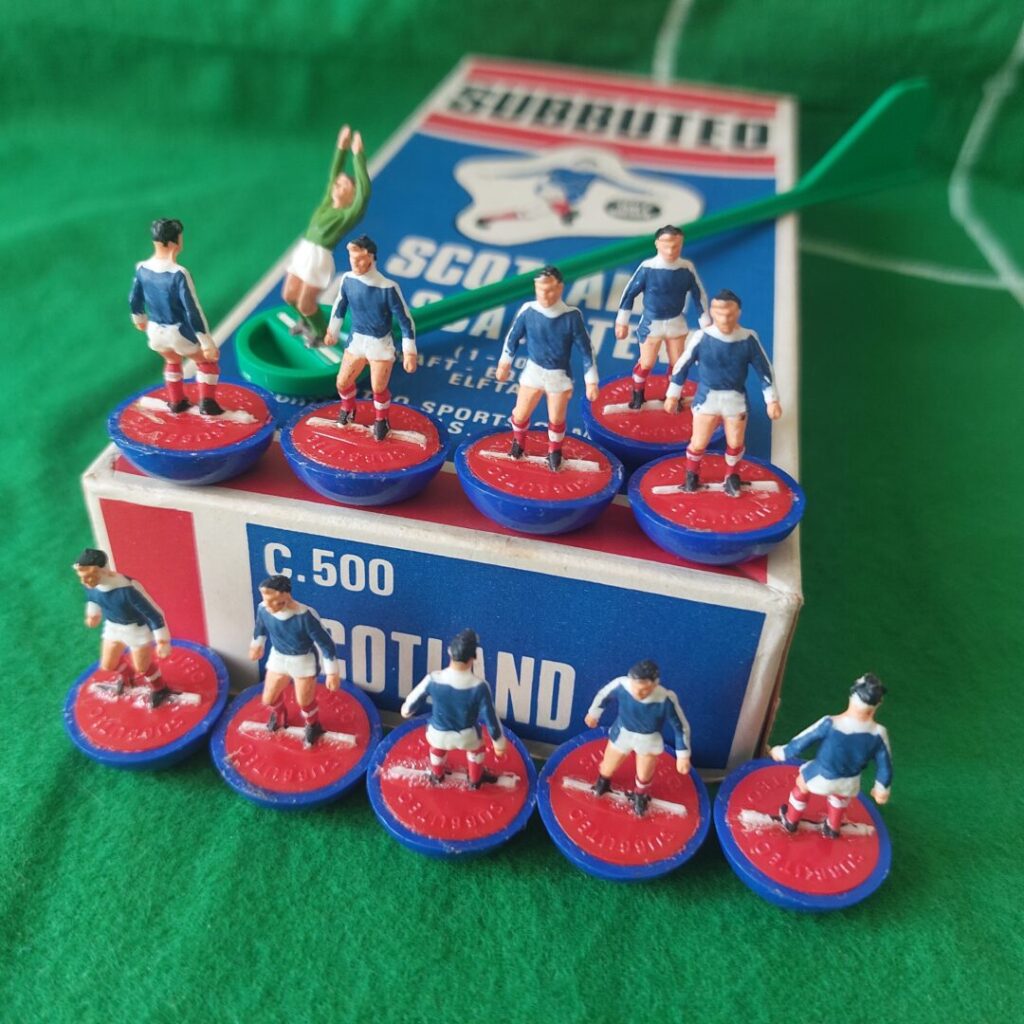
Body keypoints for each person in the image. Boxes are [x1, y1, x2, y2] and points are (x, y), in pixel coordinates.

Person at [663, 289, 781, 496]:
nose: (725, 319)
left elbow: (764, 370)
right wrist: (673, 394)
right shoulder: (702, 337)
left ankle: (732, 476)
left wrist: (772, 400)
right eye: (720, 313)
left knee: (735, 443)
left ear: (738, 313)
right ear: (712, 312)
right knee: (699, 442)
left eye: (730, 314)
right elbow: (682, 365)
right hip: (707, 399)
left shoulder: (748, 338)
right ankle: (691, 474)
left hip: (735, 400)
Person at [495, 265, 599, 471]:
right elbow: (512, 338)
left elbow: (586, 350)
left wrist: (591, 381)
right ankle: (518, 443)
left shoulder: (572, 316)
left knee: (556, 418)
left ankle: (554, 451)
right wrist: (504, 363)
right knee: (520, 414)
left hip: (558, 375)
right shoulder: (528, 310)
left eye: (550, 290)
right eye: (540, 289)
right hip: (533, 371)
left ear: (560, 288)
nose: (544, 295)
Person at [770, 673, 893, 839]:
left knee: (801, 785)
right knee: (840, 797)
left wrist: (783, 752)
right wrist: (881, 788)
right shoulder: (879, 733)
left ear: (852, 697)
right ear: (878, 704)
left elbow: (803, 740)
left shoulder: (830, 723)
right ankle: (833, 827)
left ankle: (790, 820)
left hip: (822, 774)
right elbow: (885, 764)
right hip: (850, 782)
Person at [283, 125, 371, 344]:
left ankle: (321, 333)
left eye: (344, 186)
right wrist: (341, 148)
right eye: (337, 184)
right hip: (304, 252)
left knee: (306, 303)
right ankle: (307, 322)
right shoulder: (326, 204)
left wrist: (358, 156)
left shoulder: (347, 215)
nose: (337, 187)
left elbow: (364, 192)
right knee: (289, 296)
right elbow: (333, 175)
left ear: (351, 195)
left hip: (318, 258)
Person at [324, 235, 417, 441]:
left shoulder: (388, 287)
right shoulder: (347, 280)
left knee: (378, 387)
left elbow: (405, 320)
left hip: (380, 344)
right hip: (357, 341)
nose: (355, 264)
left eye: (359, 259)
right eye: (352, 259)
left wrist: (410, 352)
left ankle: (381, 420)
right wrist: (332, 331)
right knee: (342, 382)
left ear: (371, 258)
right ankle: (348, 409)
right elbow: (339, 306)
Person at [129, 218, 222, 416]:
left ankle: (176, 401)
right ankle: (207, 404)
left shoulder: (142, 268)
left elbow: (134, 298)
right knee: (206, 363)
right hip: (177, 332)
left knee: (172, 361)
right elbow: (192, 309)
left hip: (155, 331)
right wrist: (206, 342)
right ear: (173, 243)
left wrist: (139, 319)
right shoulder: (179, 273)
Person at [614, 225, 711, 409]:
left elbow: (699, 294)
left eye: (676, 246)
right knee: (646, 363)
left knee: (678, 364)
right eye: (666, 245)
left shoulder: (686, 268)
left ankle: (673, 396)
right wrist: (622, 321)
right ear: (657, 244)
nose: (671, 250)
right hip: (651, 324)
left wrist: (705, 322)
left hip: (676, 322)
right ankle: (638, 395)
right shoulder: (648, 268)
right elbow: (629, 294)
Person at [400, 629, 507, 788]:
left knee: (437, 748)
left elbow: (410, 705)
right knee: (477, 749)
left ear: (450, 652)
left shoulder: (433, 679)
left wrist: (406, 710)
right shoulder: (479, 686)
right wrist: (499, 743)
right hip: (467, 736)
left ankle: (437, 775)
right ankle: (475, 780)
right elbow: (491, 718)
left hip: (438, 733)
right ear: (473, 658)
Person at [584, 659, 691, 816]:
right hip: (622, 733)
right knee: (607, 765)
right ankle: (603, 782)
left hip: (648, 739)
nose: (638, 693)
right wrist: (593, 713)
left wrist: (683, 755)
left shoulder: (665, 699)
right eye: (635, 687)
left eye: (644, 690)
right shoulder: (621, 685)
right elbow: (603, 696)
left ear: (655, 685)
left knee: (644, 773)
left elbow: (680, 726)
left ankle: (640, 796)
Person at [73, 548, 173, 708]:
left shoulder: (127, 589)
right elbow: (92, 599)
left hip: (136, 630)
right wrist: (93, 614)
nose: (84, 581)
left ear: (101, 570)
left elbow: (154, 614)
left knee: (143, 667)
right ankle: (128, 677)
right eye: (82, 576)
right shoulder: (91, 585)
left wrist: (162, 641)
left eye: (88, 576)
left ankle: (160, 688)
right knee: (108, 664)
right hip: (113, 627)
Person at [249, 575, 340, 747]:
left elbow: (326, 643)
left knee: (304, 701)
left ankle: (313, 725)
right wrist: (256, 645)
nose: (268, 605)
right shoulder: (263, 609)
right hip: (278, 657)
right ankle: (279, 715)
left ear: (286, 595)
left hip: (303, 660)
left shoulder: (305, 616)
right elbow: (260, 629)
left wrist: (332, 672)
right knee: (269, 698)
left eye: (273, 601)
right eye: (266, 600)